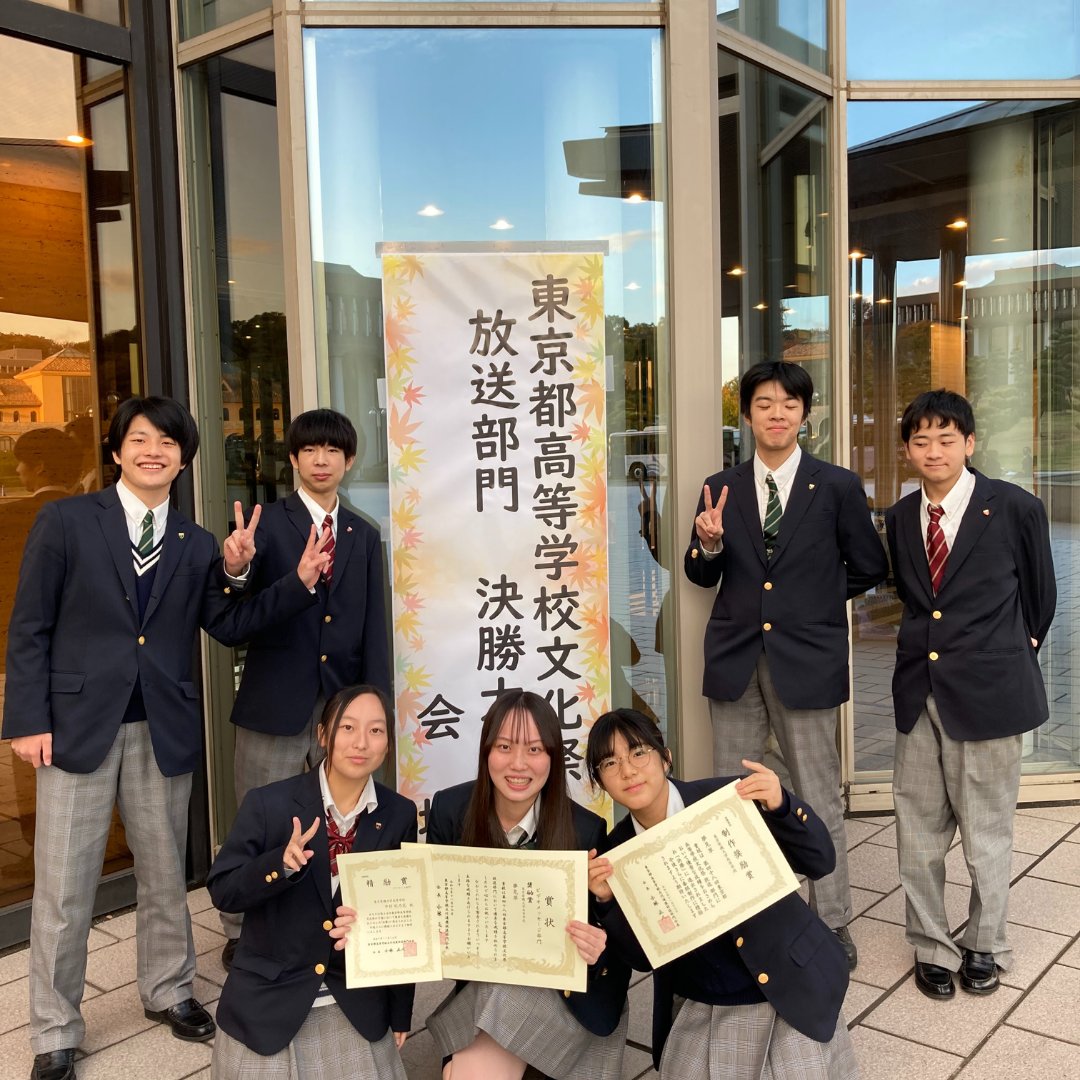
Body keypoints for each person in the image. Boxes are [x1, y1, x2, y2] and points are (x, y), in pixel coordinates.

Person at [3, 396, 328, 1080]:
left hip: (163, 726)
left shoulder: (196, 542)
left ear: (183, 460)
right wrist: (28, 719)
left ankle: (169, 990)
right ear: (116, 451)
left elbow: (228, 626)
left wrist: (265, 578)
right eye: (140, 439)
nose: (154, 451)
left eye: (168, 442)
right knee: (64, 887)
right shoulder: (67, 521)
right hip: (76, 728)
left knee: (161, 873)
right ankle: (55, 1029)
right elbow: (29, 625)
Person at [684, 360, 888, 969]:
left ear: (805, 414)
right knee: (732, 794)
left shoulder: (837, 486)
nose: (777, 414)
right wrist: (709, 544)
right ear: (747, 415)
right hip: (735, 659)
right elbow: (700, 573)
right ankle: (740, 921)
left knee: (819, 793)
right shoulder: (720, 486)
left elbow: (870, 566)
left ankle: (833, 920)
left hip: (808, 659)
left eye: (789, 404)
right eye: (765, 404)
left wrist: (811, 603)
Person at [886, 390, 1056, 1000]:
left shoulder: (1014, 508)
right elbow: (912, 597)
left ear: (970, 443)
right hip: (918, 691)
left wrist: (1004, 653)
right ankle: (931, 944)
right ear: (908, 450)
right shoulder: (900, 516)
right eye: (921, 440)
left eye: (946, 439)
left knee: (986, 832)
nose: (934, 451)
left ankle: (986, 943)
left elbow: (1040, 598)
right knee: (917, 829)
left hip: (989, 693)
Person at [586, 708, 857, 1080]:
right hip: (705, 994)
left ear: (665, 758)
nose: (628, 771)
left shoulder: (729, 798)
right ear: (600, 781)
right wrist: (606, 902)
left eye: (638, 752)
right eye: (609, 763)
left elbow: (821, 861)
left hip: (788, 972)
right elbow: (643, 958)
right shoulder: (616, 853)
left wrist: (781, 806)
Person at [218, 408, 390, 966]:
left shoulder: (364, 534)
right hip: (274, 703)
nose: (321, 460)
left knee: (341, 814)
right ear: (293, 459)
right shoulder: (265, 526)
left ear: (349, 460)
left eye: (333, 450)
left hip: (340, 706)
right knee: (260, 817)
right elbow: (235, 617)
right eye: (310, 450)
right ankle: (242, 930)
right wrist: (237, 571)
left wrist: (375, 711)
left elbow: (373, 628)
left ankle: (332, 916)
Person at [208, 684, 416, 1079]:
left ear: (388, 743)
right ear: (323, 735)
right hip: (271, 993)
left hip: (353, 994)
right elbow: (223, 890)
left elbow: (403, 916)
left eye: (375, 730)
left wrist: (400, 1011)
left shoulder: (398, 814)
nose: (361, 742)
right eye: (347, 727)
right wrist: (278, 865)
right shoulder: (269, 804)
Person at [424, 690, 630, 1080]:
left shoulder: (585, 830)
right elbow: (430, 908)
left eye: (535, 749)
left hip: (565, 999)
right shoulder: (451, 811)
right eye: (505, 746)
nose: (519, 764)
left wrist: (598, 943)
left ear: (553, 757)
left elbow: (610, 946)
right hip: (486, 984)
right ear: (486, 751)